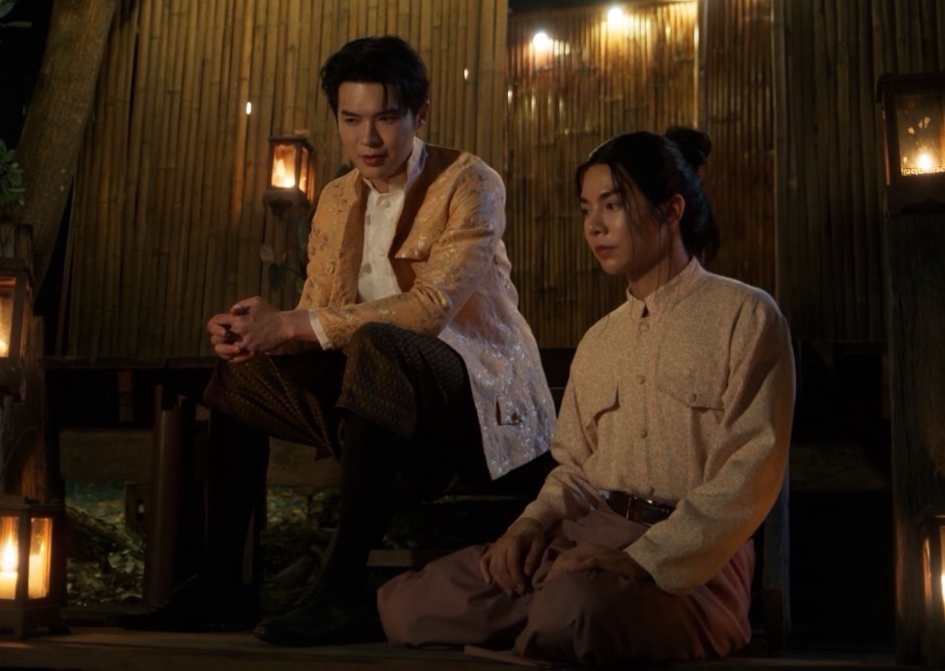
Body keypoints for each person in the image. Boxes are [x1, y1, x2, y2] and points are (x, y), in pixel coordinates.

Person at [118, 35, 556, 646]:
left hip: (476, 396)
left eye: (386, 118)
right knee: (245, 370)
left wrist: (292, 325)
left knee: (379, 342)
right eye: (351, 120)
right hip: (378, 392)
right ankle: (222, 584)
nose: (368, 139)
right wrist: (260, 330)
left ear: (421, 114)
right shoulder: (336, 197)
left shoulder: (470, 181)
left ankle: (343, 587)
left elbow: (430, 309)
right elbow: (315, 315)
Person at [376, 127, 796, 666]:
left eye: (613, 205)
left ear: (671, 210)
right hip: (588, 537)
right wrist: (530, 526)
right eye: (585, 209)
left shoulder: (745, 316)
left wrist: (643, 559)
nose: (593, 225)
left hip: (696, 562)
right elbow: (575, 470)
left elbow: (750, 471)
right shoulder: (600, 341)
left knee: (574, 610)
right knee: (409, 607)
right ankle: (543, 614)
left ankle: (550, 618)